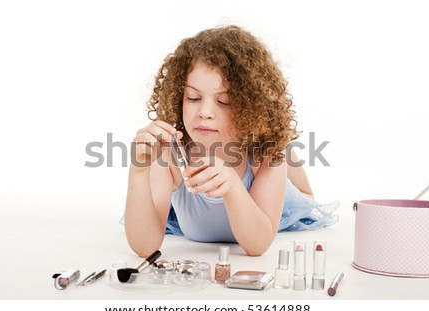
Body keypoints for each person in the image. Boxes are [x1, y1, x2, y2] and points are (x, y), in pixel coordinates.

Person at [124, 25, 338, 258]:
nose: (205, 112)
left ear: (250, 106)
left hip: (267, 201)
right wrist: (137, 173)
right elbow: (145, 247)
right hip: (192, 194)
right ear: (179, 98)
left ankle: (286, 150)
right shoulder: (170, 157)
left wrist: (233, 186)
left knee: (286, 163)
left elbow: (257, 246)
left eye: (224, 101)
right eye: (193, 98)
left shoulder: (265, 156)